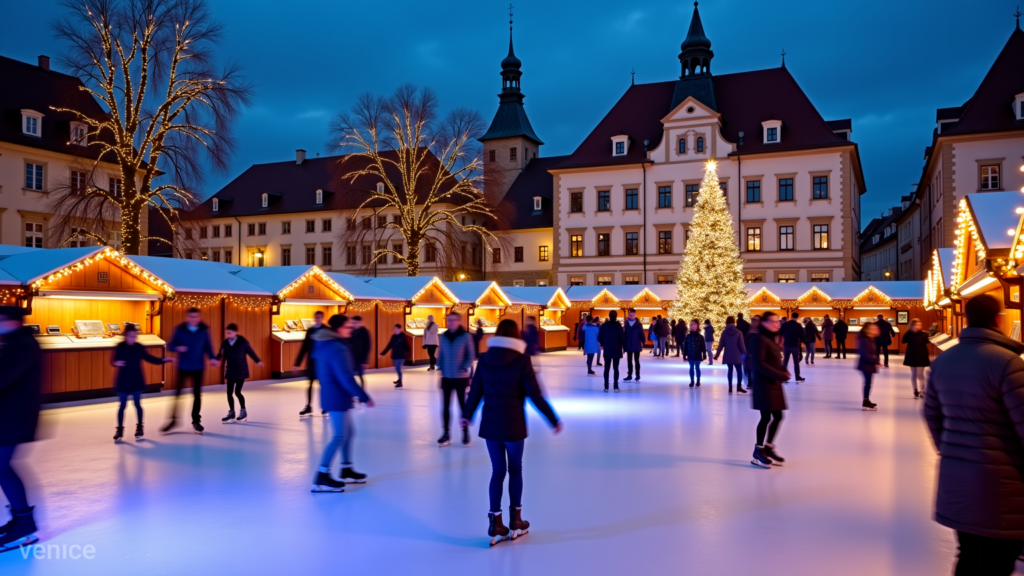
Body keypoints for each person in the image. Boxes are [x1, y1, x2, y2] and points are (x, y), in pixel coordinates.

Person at [925, 294, 1024, 576]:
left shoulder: (944, 362)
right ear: (998, 319)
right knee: (998, 559)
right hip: (1002, 483)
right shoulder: (1008, 363)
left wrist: (951, 448)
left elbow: (931, 414)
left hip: (957, 476)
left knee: (968, 554)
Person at [462, 319, 561, 546]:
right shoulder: (522, 360)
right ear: (516, 336)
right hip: (514, 426)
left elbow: (475, 391)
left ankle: (495, 522)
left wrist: (466, 415)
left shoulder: (485, 360)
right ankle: (516, 520)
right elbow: (535, 395)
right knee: (515, 469)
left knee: (498, 472)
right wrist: (552, 419)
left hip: (491, 427)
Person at [310, 315, 374, 492]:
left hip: (336, 395)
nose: (351, 329)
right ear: (338, 329)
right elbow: (345, 377)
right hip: (336, 396)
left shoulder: (327, 343)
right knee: (339, 435)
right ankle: (321, 475)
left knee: (349, 432)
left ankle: (346, 468)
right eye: (347, 327)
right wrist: (364, 396)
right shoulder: (337, 347)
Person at [0, 306, 41, 553]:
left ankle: (24, 524)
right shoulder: (19, 342)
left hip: (14, 416)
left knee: (3, 469)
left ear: (12, 321)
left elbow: (3, 379)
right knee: (3, 468)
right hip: (12, 415)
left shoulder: (22, 345)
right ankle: (21, 519)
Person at [163, 307, 219, 434]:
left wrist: (212, 359)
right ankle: (173, 420)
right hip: (183, 366)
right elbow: (170, 345)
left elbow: (208, 346)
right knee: (177, 394)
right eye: (191, 317)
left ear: (199, 318)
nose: (193, 319)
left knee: (197, 395)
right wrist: (178, 347)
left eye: (196, 317)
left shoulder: (204, 330)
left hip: (198, 367)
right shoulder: (179, 329)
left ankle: (196, 421)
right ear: (187, 317)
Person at [112, 326, 172, 441]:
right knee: (122, 406)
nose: (133, 338)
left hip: (136, 380)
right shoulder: (120, 347)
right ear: (126, 336)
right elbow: (114, 360)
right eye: (131, 336)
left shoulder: (138, 347)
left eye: (135, 336)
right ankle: (119, 430)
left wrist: (163, 360)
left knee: (137, 404)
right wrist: (117, 362)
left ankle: (139, 427)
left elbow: (149, 358)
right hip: (123, 380)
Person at [747, 311, 790, 468]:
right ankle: (757, 452)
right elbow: (760, 363)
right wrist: (780, 375)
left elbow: (773, 359)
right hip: (764, 385)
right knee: (766, 418)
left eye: (778, 321)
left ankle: (768, 447)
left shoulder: (771, 339)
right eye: (773, 321)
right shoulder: (759, 339)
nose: (777, 324)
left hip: (773, 384)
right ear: (764, 323)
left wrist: (783, 370)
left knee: (778, 416)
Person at [437, 312, 475, 447]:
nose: (450, 323)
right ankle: (446, 433)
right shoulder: (443, 337)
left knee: (462, 406)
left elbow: (471, 355)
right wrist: (439, 366)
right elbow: (440, 353)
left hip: (460, 377)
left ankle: (465, 432)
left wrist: (464, 367)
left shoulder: (466, 337)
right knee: (445, 406)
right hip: (446, 376)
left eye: (453, 320)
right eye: (448, 320)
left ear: (458, 321)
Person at [216, 323, 263, 423]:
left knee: (237, 392)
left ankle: (243, 411)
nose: (228, 335)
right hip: (230, 370)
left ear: (235, 332)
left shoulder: (242, 342)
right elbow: (221, 353)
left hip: (241, 370)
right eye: (227, 333)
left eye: (230, 333)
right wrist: (216, 360)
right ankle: (231, 412)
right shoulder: (224, 342)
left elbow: (250, 352)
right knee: (229, 392)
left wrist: (257, 360)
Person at [293, 310, 326, 417]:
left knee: (323, 385)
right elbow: (304, 348)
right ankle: (308, 406)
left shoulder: (326, 330)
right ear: (314, 318)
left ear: (322, 318)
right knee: (310, 385)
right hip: (312, 362)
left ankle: (325, 407)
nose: (318, 319)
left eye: (320, 318)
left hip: (322, 363)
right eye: (316, 318)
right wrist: (297, 364)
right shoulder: (310, 331)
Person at [715, 316, 747, 394]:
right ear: (734, 322)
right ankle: (739, 387)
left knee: (730, 370)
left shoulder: (724, 332)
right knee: (739, 371)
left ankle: (730, 387)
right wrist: (745, 353)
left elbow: (721, 345)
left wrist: (716, 355)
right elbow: (742, 345)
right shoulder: (739, 332)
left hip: (728, 355)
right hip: (737, 356)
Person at [902, 319, 930, 399]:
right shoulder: (908, 334)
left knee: (920, 374)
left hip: (921, 354)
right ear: (912, 326)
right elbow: (903, 341)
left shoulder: (924, 334)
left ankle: (922, 391)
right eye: (916, 325)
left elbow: (927, 341)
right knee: (913, 374)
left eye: (919, 325)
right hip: (912, 354)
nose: (918, 326)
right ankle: (915, 390)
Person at [598, 310, 624, 393]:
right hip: (616, 349)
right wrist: (625, 347)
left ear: (609, 316)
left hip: (608, 349)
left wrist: (602, 344)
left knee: (606, 368)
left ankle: (606, 387)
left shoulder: (604, 326)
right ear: (616, 316)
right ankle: (616, 386)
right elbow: (622, 337)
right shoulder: (618, 326)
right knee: (616, 368)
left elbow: (600, 337)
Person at [857, 323, 880, 410]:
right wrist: (876, 360)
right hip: (865, 365)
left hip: (868, 365)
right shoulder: (865, 340)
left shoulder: (870, 339)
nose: (876, 331)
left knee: (868, 383)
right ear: (868, 330)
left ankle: (866, 400)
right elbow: (864, 354)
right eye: (874, 329)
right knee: (867, 383)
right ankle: (865, 402)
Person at [779, 312, 806, 382]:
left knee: (785, 361)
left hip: (786, 345)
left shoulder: (785, 324)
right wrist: (805, 342)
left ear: (791, 316)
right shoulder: (798, 325)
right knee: (796, 362)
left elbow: (780, 332)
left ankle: (782, 376)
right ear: (797, 317)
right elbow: (802, 336)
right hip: (795, 345)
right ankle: (797, 376)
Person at [622, 308, 645, 382]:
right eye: (629, 315)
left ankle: (637, 374)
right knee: (629, 361)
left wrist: (643, 341)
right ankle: (629, 375)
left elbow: (641, 333)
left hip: (636, 344)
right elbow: (624, 333)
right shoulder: (626, 323)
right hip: (628, 344)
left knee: (636, 360)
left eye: (631, 315)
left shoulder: (638, 324)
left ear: (635, 315)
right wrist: (623, 342)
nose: (630, 316)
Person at [683, 319, 707, 387]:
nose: (692, 326)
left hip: (697, 355)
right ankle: (692, 381)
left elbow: (703, 346)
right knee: (691, 368)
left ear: (697, 326)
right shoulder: (688, 336)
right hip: (690, 355)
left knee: (697, 368)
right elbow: (685, 346)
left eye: (694, 324)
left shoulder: (700, 337)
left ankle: (698, 380)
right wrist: (684, 355)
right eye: (691, 324)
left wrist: (704, 354)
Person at [349, 316, 372, 388]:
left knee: (361, 376)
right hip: (351, 359)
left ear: (360, 323)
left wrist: (365, 360)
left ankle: (362, 392)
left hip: (360, 359)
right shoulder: (350, 331)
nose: (354, 324)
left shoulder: (365, 332)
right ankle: (352, 394)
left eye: (355, 323)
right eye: (353, 323)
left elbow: (368, 346)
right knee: (350, 377)